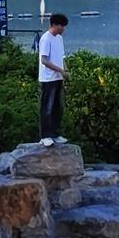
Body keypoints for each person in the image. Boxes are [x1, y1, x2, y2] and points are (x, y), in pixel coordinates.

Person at [38, 13, 68, 145]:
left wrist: (65, 70)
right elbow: (44, 60)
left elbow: (62, 57)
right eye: (61, 25)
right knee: (47, 108)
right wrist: (60, 70)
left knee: (58, 108)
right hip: (48, 79)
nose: (63, 28)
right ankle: (45, 136)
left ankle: (55, 133)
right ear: (54, 25)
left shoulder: (59, 38)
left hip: (58, 78)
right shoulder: (46, 38)